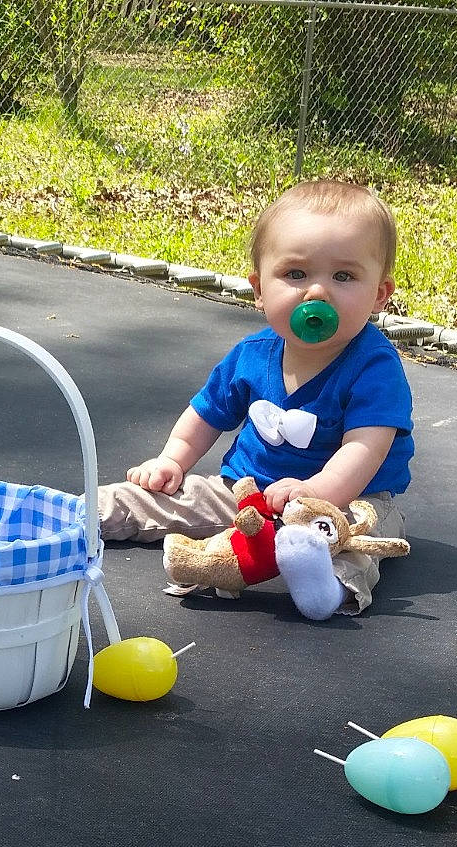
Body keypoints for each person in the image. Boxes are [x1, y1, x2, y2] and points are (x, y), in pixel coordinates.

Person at [96, 180, 414, 615]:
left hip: (342, 500)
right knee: (173, 495)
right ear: (259, 288)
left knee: (361, 539)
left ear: (379, 294)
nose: (316, 293)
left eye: (343, 276)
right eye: (295, 274)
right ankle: (84, 515)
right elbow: (205, 414)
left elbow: (365, 448)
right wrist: (171, 460)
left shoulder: (375, 366)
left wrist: (313, 491)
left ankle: (326, 586)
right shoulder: (251, 355)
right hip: (246, 489)